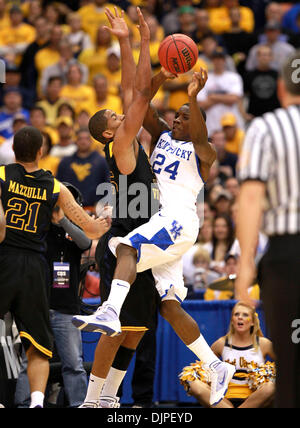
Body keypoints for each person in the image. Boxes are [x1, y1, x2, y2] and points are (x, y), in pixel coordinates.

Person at [73, 9, 236, 408]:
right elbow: (138, 97)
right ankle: (216, 366)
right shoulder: (157, 136)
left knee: (125, 251)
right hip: (157, 224)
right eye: (175, 114)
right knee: (165, 306)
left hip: (175, 222)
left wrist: (190, 95)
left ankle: (106, 328)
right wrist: (146, 54)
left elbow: (151, 103)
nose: (176, 118)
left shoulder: (203, 150)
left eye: (183, 116)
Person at [73, 7, 161, 409]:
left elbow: (130, 88)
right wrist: (145, 42)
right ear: (109, 132)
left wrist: (126, 41)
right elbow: (141, 93)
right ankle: (92, 399)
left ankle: (109, 396)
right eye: (113, 115)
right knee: (116, 327)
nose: (119, 109)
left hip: (145, 242)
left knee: (137, 329)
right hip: (123, 243)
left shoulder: (124, 138)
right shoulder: (121, 145)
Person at [0, 126, 111, 408]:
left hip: (4, 260)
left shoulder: (1, 176)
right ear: (41, 152)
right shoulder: (55, 187)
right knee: (37, 345)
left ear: (13, 150)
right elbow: (90, 229)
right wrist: (103, 222)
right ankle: (37, 403)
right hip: (35, 267)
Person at [236, 51, 300, 408]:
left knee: (289, 363)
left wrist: (246, 263)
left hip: (288, 257)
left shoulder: (265, 127)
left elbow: (250, 198)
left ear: (279, 87)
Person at [15, 185, 91, 408]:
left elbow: (85, 243)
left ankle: (78, 404)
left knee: (74, 364)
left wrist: (63, 220)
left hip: (66, 308)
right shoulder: (37, 228)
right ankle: (24, 403)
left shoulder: (74, 229)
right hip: (36, 305)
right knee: (28, 360)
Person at [179, 301, 275, 408]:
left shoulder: (264, 344)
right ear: (232, 321)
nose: (240, 317)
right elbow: (203, 368)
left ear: (253, 322)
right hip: (224, 400)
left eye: (245, 315)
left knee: (270, 387)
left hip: (254, 399)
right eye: (236, 314)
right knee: (194, 383)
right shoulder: (221, 344)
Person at [56, 127, 110, 212]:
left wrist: (102, 206)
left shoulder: (101, 161)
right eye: (80, 138)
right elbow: (58, 186)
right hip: (70, 210)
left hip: (95, 209)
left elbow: (108, 185)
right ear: (75, 141)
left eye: (86, 138)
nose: (83, 141)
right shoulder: (65, 162)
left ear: (91, 141)